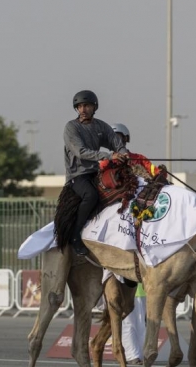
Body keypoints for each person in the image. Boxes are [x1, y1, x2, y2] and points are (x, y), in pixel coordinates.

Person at [63, 90, 128, 256]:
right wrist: (109, 155)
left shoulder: (101, 126)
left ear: (94, 107)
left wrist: (123, 153)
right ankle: (75, 236)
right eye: (79, 106)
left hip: (96, 172)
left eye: (86, 106)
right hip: (78, 176)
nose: (83, 109)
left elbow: (116, 143)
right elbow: (81, 152)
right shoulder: (71, 127)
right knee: (91, 195)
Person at [122, 282, 147, 364]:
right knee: (128, 323)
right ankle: (131, 355)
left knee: (141, 325)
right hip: (127, 289)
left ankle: (140, 355)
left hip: (143, 290)